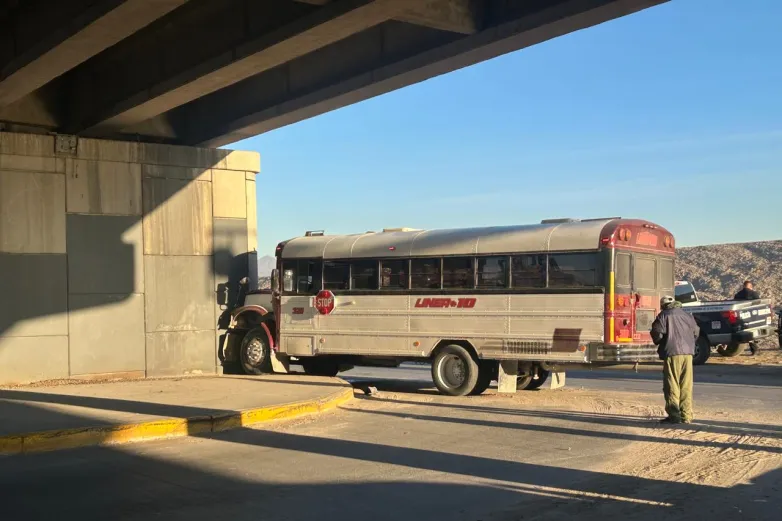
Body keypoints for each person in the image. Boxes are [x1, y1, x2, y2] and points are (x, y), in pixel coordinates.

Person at [651, 295, 700, 424]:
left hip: (672, 353)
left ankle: (674, 416)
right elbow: (696, 332)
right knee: (686, 384)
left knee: (672, 384)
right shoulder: (687, 315)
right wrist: (689, 344)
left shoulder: (663, 315)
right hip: (688, 353)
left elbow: (657, 333)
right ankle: (686, 416)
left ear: (663, 305)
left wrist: (663, 342)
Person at [733, 281, 762, 355]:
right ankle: (754, 350)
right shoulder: (754, 293)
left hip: (741, 317)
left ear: (743, 286)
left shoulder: (738, 294)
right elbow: (758, 304)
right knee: (753, 332)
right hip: (752, 315)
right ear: (750, 286)